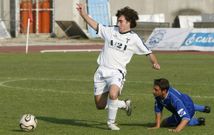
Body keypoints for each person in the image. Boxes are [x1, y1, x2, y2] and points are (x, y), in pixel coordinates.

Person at [76, 3, 160, 130]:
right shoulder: (111, 30)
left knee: (113, 94)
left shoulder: (134, 39)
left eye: (121, 21)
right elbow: (94, 24)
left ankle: (111, 123)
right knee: (100, 105)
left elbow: (148, 52)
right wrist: (83, 14)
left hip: (117, 72)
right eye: (118, 21)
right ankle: (123, 105)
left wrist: (154, 62)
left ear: (129, 22)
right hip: (101, 71)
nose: (118, 23)